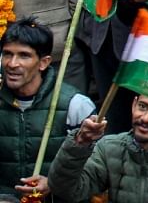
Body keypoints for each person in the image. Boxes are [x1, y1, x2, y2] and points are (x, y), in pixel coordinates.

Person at [0, 18, 94, 197]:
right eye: (7, 54)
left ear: (44, 62)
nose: (12, 64)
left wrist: (54, 183)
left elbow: (95, 167)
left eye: (24, 55)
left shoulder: (75, 106)